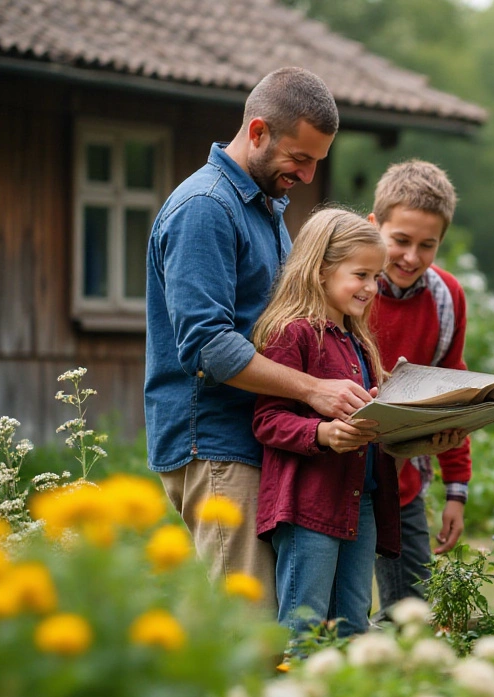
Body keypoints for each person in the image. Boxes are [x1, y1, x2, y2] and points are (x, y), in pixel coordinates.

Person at [145, 68, 372, 607]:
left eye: (318, 159)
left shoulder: (265, 207)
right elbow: (208, 347)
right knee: (248, 633)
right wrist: (313, 390)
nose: (311, 175)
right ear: (259, 131)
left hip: (256, 439)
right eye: (300, 158)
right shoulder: (206, 207)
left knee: (287, 623)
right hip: (217, 443)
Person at [250, 208, 462, 635]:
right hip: (308, 504)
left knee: (354, 623)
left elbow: (370, 426)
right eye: (360, 275)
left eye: (375, 278)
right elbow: (267, 420)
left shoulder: (358, 339)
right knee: (303, 626)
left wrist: (414, 430)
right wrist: (323, 434)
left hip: (360, 501)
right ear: (321, 270)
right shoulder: (293, 332)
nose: (371, 288)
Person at [367, 160, 473, 608]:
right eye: (401, 241)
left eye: (427, 246)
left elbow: (451, 394)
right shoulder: (344, 289)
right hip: (336, 481)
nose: (412, 257)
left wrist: (456, 491)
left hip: (403, 483)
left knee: (411, 613)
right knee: (335, 620)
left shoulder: (446, 298)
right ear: (374, 227)